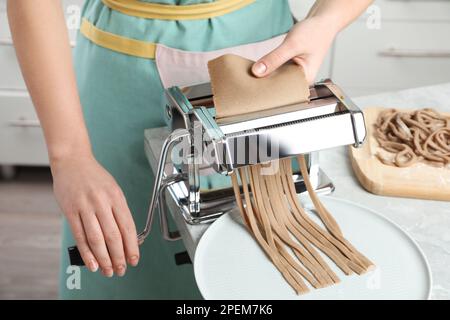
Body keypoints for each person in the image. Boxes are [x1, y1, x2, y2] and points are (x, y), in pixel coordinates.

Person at [7, 0, 373, 299]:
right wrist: (69, 155)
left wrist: (326, 20)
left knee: (261, 267)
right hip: (122, 76)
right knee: (123, 260)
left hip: (266, 73)